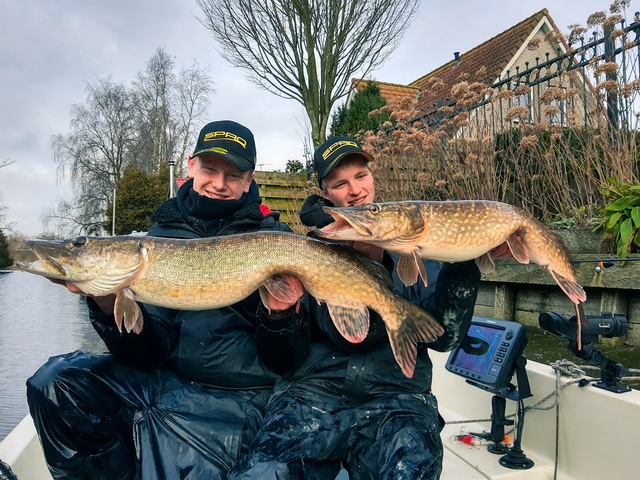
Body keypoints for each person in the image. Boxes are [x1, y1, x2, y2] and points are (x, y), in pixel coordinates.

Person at [26, 120, 309, 480]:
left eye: (233, 175)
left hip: (245, 395)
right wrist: (106, 303)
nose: (219, 184)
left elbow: (288, 362)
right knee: (55, 382)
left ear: (249, 180)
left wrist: (281, 319)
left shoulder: (274, 238)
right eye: (210, 169)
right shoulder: (159, 237)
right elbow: (147, 354)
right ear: (191, 166)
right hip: (166, 383)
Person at [229, 136, 482, 479]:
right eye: (340, 183)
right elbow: (288, 356)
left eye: (361, 176)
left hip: (398, 397)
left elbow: (444, 337)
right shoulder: (307, 250)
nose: (355, 190)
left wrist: (465, 264)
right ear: (327, 193)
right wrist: (279, 316)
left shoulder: (418, 247)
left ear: (372, 177)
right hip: (313, 392)